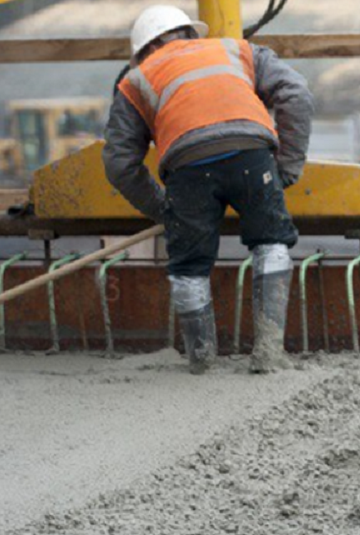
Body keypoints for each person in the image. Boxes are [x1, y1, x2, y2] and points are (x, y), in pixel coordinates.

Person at [102, 5, 314, 374]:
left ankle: (201, 361)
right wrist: (288, 165)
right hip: (252, 154)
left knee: (189, 268)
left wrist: (163, 208)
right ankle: (268, 353)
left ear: (142, 51)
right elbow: (296, 93)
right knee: (271, 242)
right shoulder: (238, 51)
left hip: (187, 167)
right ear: (190, 33)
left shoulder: (135, 81)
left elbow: (119, 164)